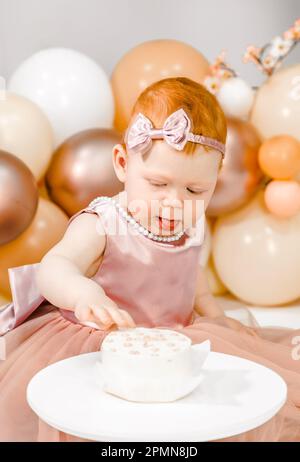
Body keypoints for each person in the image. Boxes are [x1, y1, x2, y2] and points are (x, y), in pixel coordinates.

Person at [0, 77, 299, 442]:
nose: (174, 201)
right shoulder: (105, 223)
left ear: (214, 180)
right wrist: (82, 295)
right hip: (100, 343)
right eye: (158, 184)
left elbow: (192, 279)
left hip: (173, 342)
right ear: (123, 164)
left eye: (194, 189)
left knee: (216, 408)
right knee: (94, 419)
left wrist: (217, 318)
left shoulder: (190, 222)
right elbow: (55, 267)